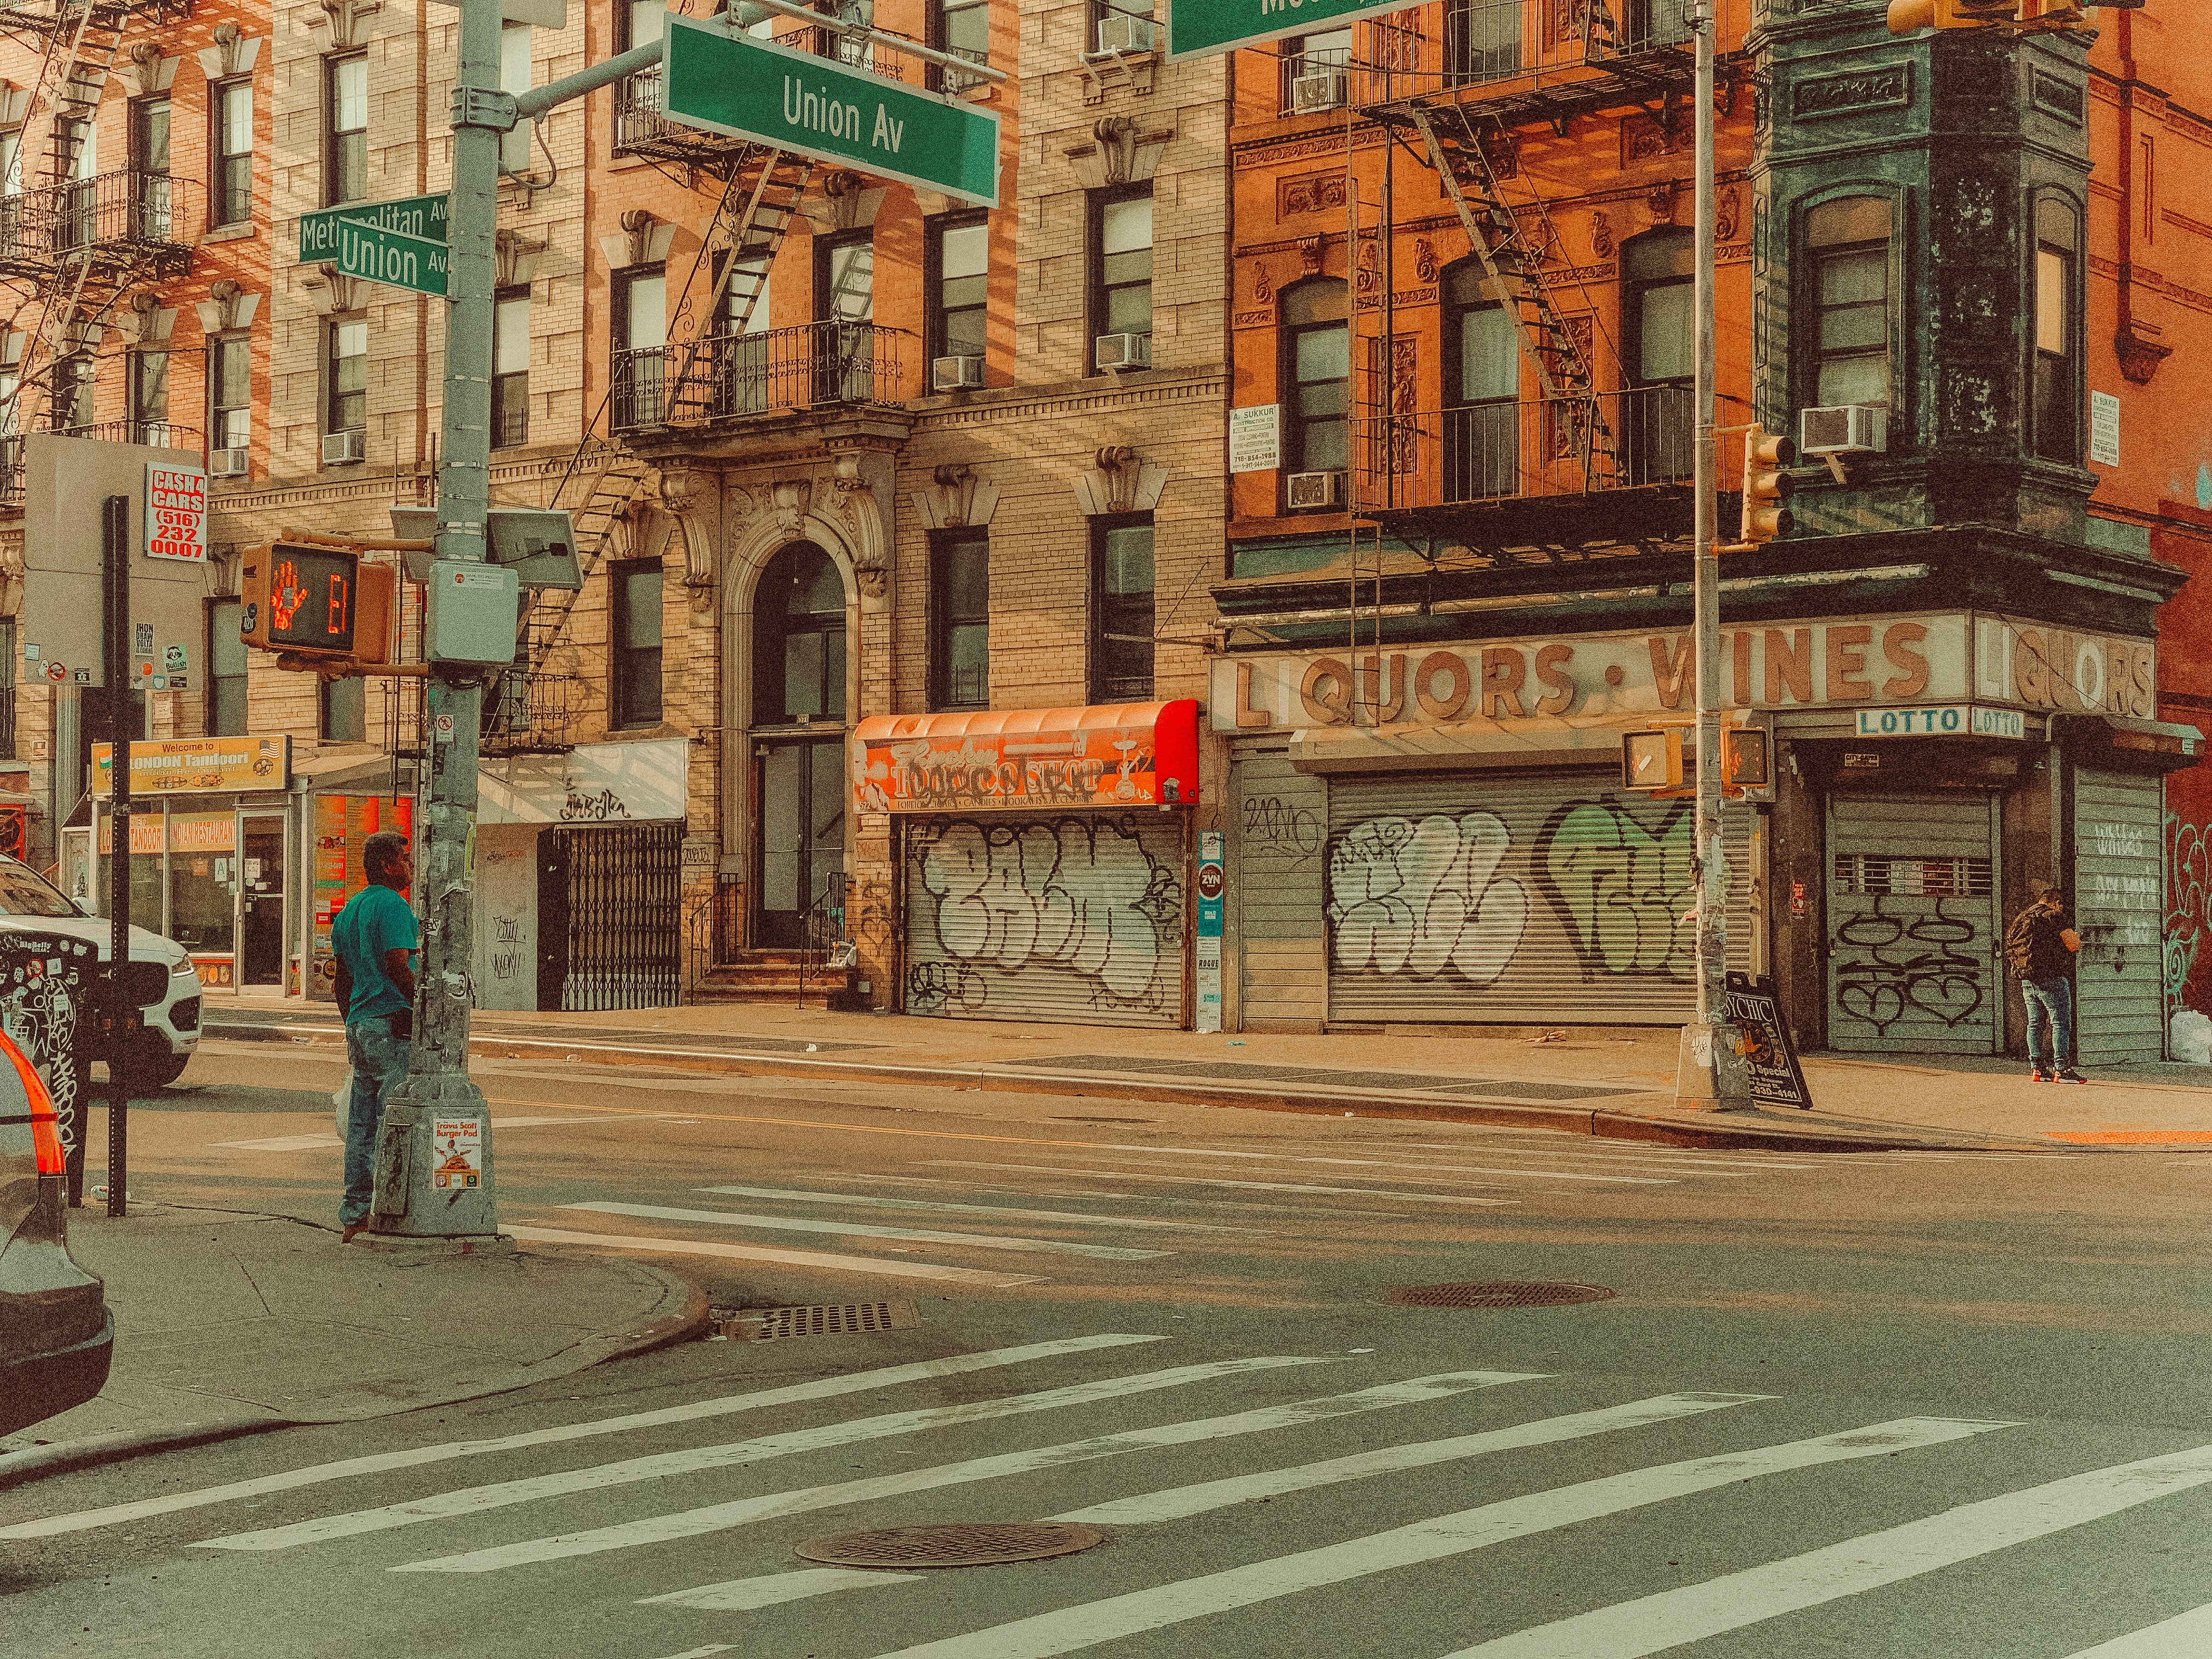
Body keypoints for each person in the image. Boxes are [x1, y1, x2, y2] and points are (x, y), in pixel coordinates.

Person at [332, 831, 418, 1240]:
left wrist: (352, 1021)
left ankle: (355, 1212)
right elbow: (398, 964)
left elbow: (341, 980)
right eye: (404, 858)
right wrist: (421, 1007)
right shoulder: (394, 906)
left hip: (360, 1024)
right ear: (387, 866)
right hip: (390, 1022)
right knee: (393, 1118)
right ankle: (389, 1207)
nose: (410, 865)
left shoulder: (350, 910)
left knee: (361, 1124)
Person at [2003, 883, 2083, 1085]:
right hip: (2051, 978)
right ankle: (2062, 1069)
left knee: (2035, 1023)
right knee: (2060, 1023)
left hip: (2028, 980)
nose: (2062, 908)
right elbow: (2073, 945)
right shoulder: (2054, 917)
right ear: (2055, 903)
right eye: (2060, 904)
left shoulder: (2022, 919)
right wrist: (2078, 937)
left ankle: (2037, 1068)